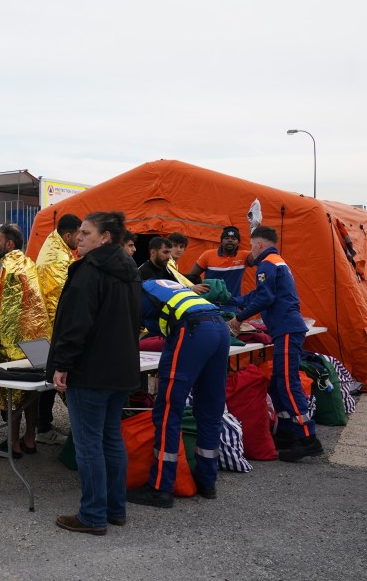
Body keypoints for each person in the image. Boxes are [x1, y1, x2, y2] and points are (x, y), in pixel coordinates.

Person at [47, 211, 140, 535]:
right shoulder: (129, 269)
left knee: (89, 444)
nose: (79, 237)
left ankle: (92, 515)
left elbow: (76, 325)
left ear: (106, 238)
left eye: (87, 233)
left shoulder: (90, 270)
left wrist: (62, 365)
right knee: (111, 438)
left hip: (91, 370)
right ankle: (115, 510)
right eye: (80, 232)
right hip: (121, 369)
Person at [126, 279, 230, 508]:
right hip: (219, 327)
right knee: (210, 408)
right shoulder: (158, 285)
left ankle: (160, 488)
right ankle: (207, 482)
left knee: (168, 411)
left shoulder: (131, 292)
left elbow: (128, 331)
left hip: (192, 330)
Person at [229, 226, 321, 461]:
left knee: (288, 384)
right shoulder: (276, 261)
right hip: (285, 329)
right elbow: (259, 294)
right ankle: (288, 433)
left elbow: (265, 297)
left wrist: (239, 318)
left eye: (251, 245)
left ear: (259, 244)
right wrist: (231, 300)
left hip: (287, 329)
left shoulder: (267, 264)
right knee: (278, 382)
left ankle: (308, 438)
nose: (250, 250)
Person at [0, 224, 49, 457]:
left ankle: (13, 443)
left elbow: (2, 308)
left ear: (9, 244)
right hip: (38, 341)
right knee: (32, 392)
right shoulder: (29, 263)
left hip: (15, 342)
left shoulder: (8, 266)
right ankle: (30, 439)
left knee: (12, 391)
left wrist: (1, 340)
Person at [35, 214, 81, 446]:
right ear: (68, 235)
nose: (81, 239)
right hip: (49, 331)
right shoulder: (57, 258)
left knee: (49, 382)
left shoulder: (57, 249)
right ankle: (42, 427)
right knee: (49, 381)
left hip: (47, 331)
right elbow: (58, 303)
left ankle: (43, 425)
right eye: (80, 234)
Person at [187, 226, 250, 308]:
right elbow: (191, 277)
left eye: (234, 238)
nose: (230, 240)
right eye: (226, 238)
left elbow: (258, 256)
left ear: (238, 243)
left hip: (231, 305)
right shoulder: (208, 255)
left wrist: (254, 231)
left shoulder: (244, 256)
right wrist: (194, 289)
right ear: (221, 242)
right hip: (208, 304)